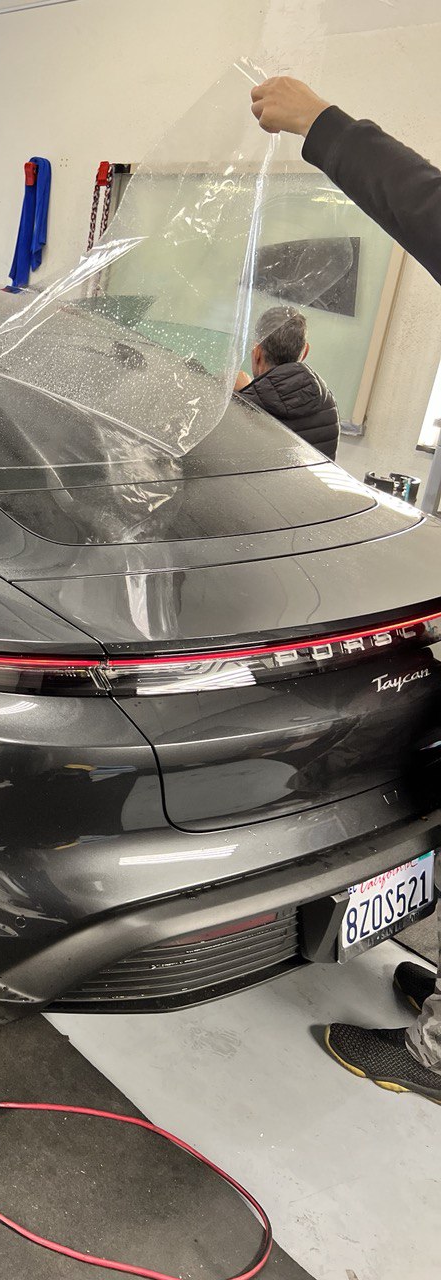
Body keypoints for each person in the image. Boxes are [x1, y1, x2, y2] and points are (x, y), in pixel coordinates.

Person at [251, 74, 441, 1104]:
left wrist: (320, 124)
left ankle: (435, 1055)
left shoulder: (257, 398)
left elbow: (426, 204)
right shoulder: (316, 395)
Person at [235, 304, 340, 459]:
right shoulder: (327, 403)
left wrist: (241, 397)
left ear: (257, 352)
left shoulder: (242, 407)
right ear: (304, 352)